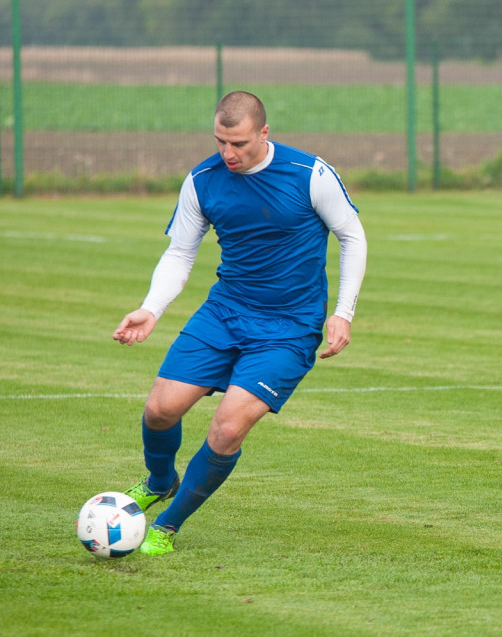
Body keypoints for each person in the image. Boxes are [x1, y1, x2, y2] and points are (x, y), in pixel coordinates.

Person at [112, 90, 367, 554]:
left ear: (264, 133)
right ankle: (159, 480)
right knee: (159, 409)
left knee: (227, 429)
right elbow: (181, 252)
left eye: (240, 144)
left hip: (289, 328)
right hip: (224, 313)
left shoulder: (309, 174)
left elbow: (352, 237)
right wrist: (151, 308)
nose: (228, 153)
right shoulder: (202, 180)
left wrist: (343, 313)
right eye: (220, 142)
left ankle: (166, 528)